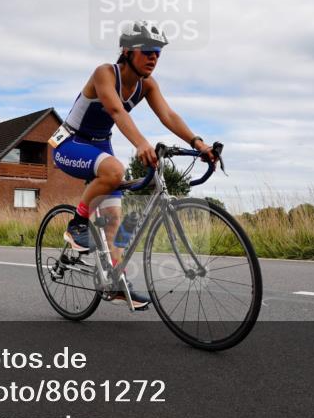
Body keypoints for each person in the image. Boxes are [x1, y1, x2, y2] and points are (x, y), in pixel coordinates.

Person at [52, 21, 218, 309]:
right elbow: (116, 110)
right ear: (128, 51)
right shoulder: (105, 73)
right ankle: (77, 224)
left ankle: (116, 281)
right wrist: (141, 143)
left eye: (158, 53)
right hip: (70, 142)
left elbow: (168, 115)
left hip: (101, 145)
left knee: (115, 220)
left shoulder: (147, 85)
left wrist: (198, 143)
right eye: (147, 51)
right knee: (115, 170)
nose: (153, 57)